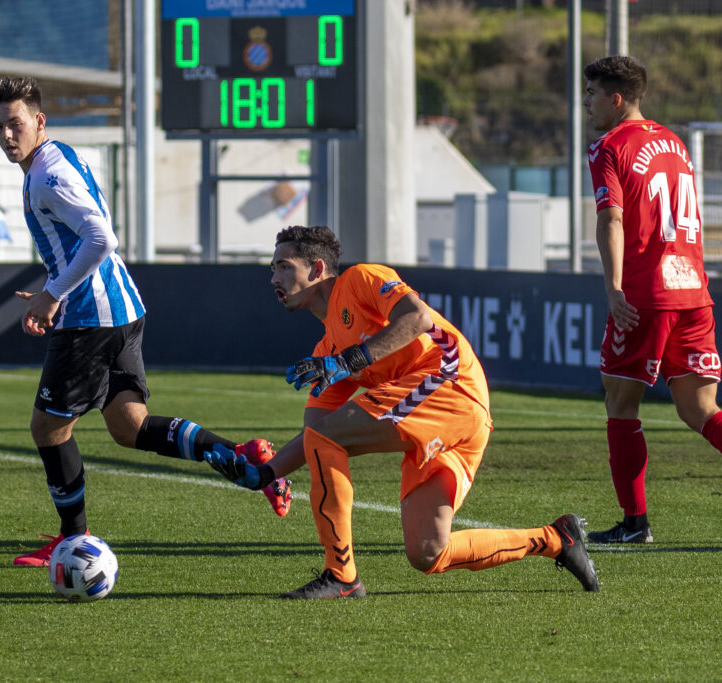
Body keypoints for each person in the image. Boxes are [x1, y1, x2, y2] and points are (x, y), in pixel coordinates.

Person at [0, 76, 292, 566]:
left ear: (39, 121)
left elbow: (100, 238)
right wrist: (51, 288)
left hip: (92, 320)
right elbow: (84, 240)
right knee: (130, 428)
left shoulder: (46, 176)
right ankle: (246, 460)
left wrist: (54, 293)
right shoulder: (60, 156)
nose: (6, 135)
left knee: (48, 429)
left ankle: (71, 541)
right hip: (120, 309)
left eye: (15, 123)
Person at [206, 226, 600, 598]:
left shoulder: (360, 279)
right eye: (273, 268)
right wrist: (266, 473)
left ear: (318, 269)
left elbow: (418, 318)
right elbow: (315, 435)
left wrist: (348, 360)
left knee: (327, 438)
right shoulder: (327, 351)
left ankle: (341, 575)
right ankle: (557, 539)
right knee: (428, 552)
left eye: (284, 266)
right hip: (445, 412)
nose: (275, 278)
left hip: (451, 384)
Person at [583, 56, 722, 544]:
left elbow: (611, 220)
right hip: (694, 292)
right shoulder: (676, 144)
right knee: (701, 409)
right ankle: (633, 523)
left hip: (646, 295)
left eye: (593, 94)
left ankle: (634, 524)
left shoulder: (608, 146)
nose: (587, 104)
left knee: (620, 404)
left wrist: (614, 289)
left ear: (615, 99)